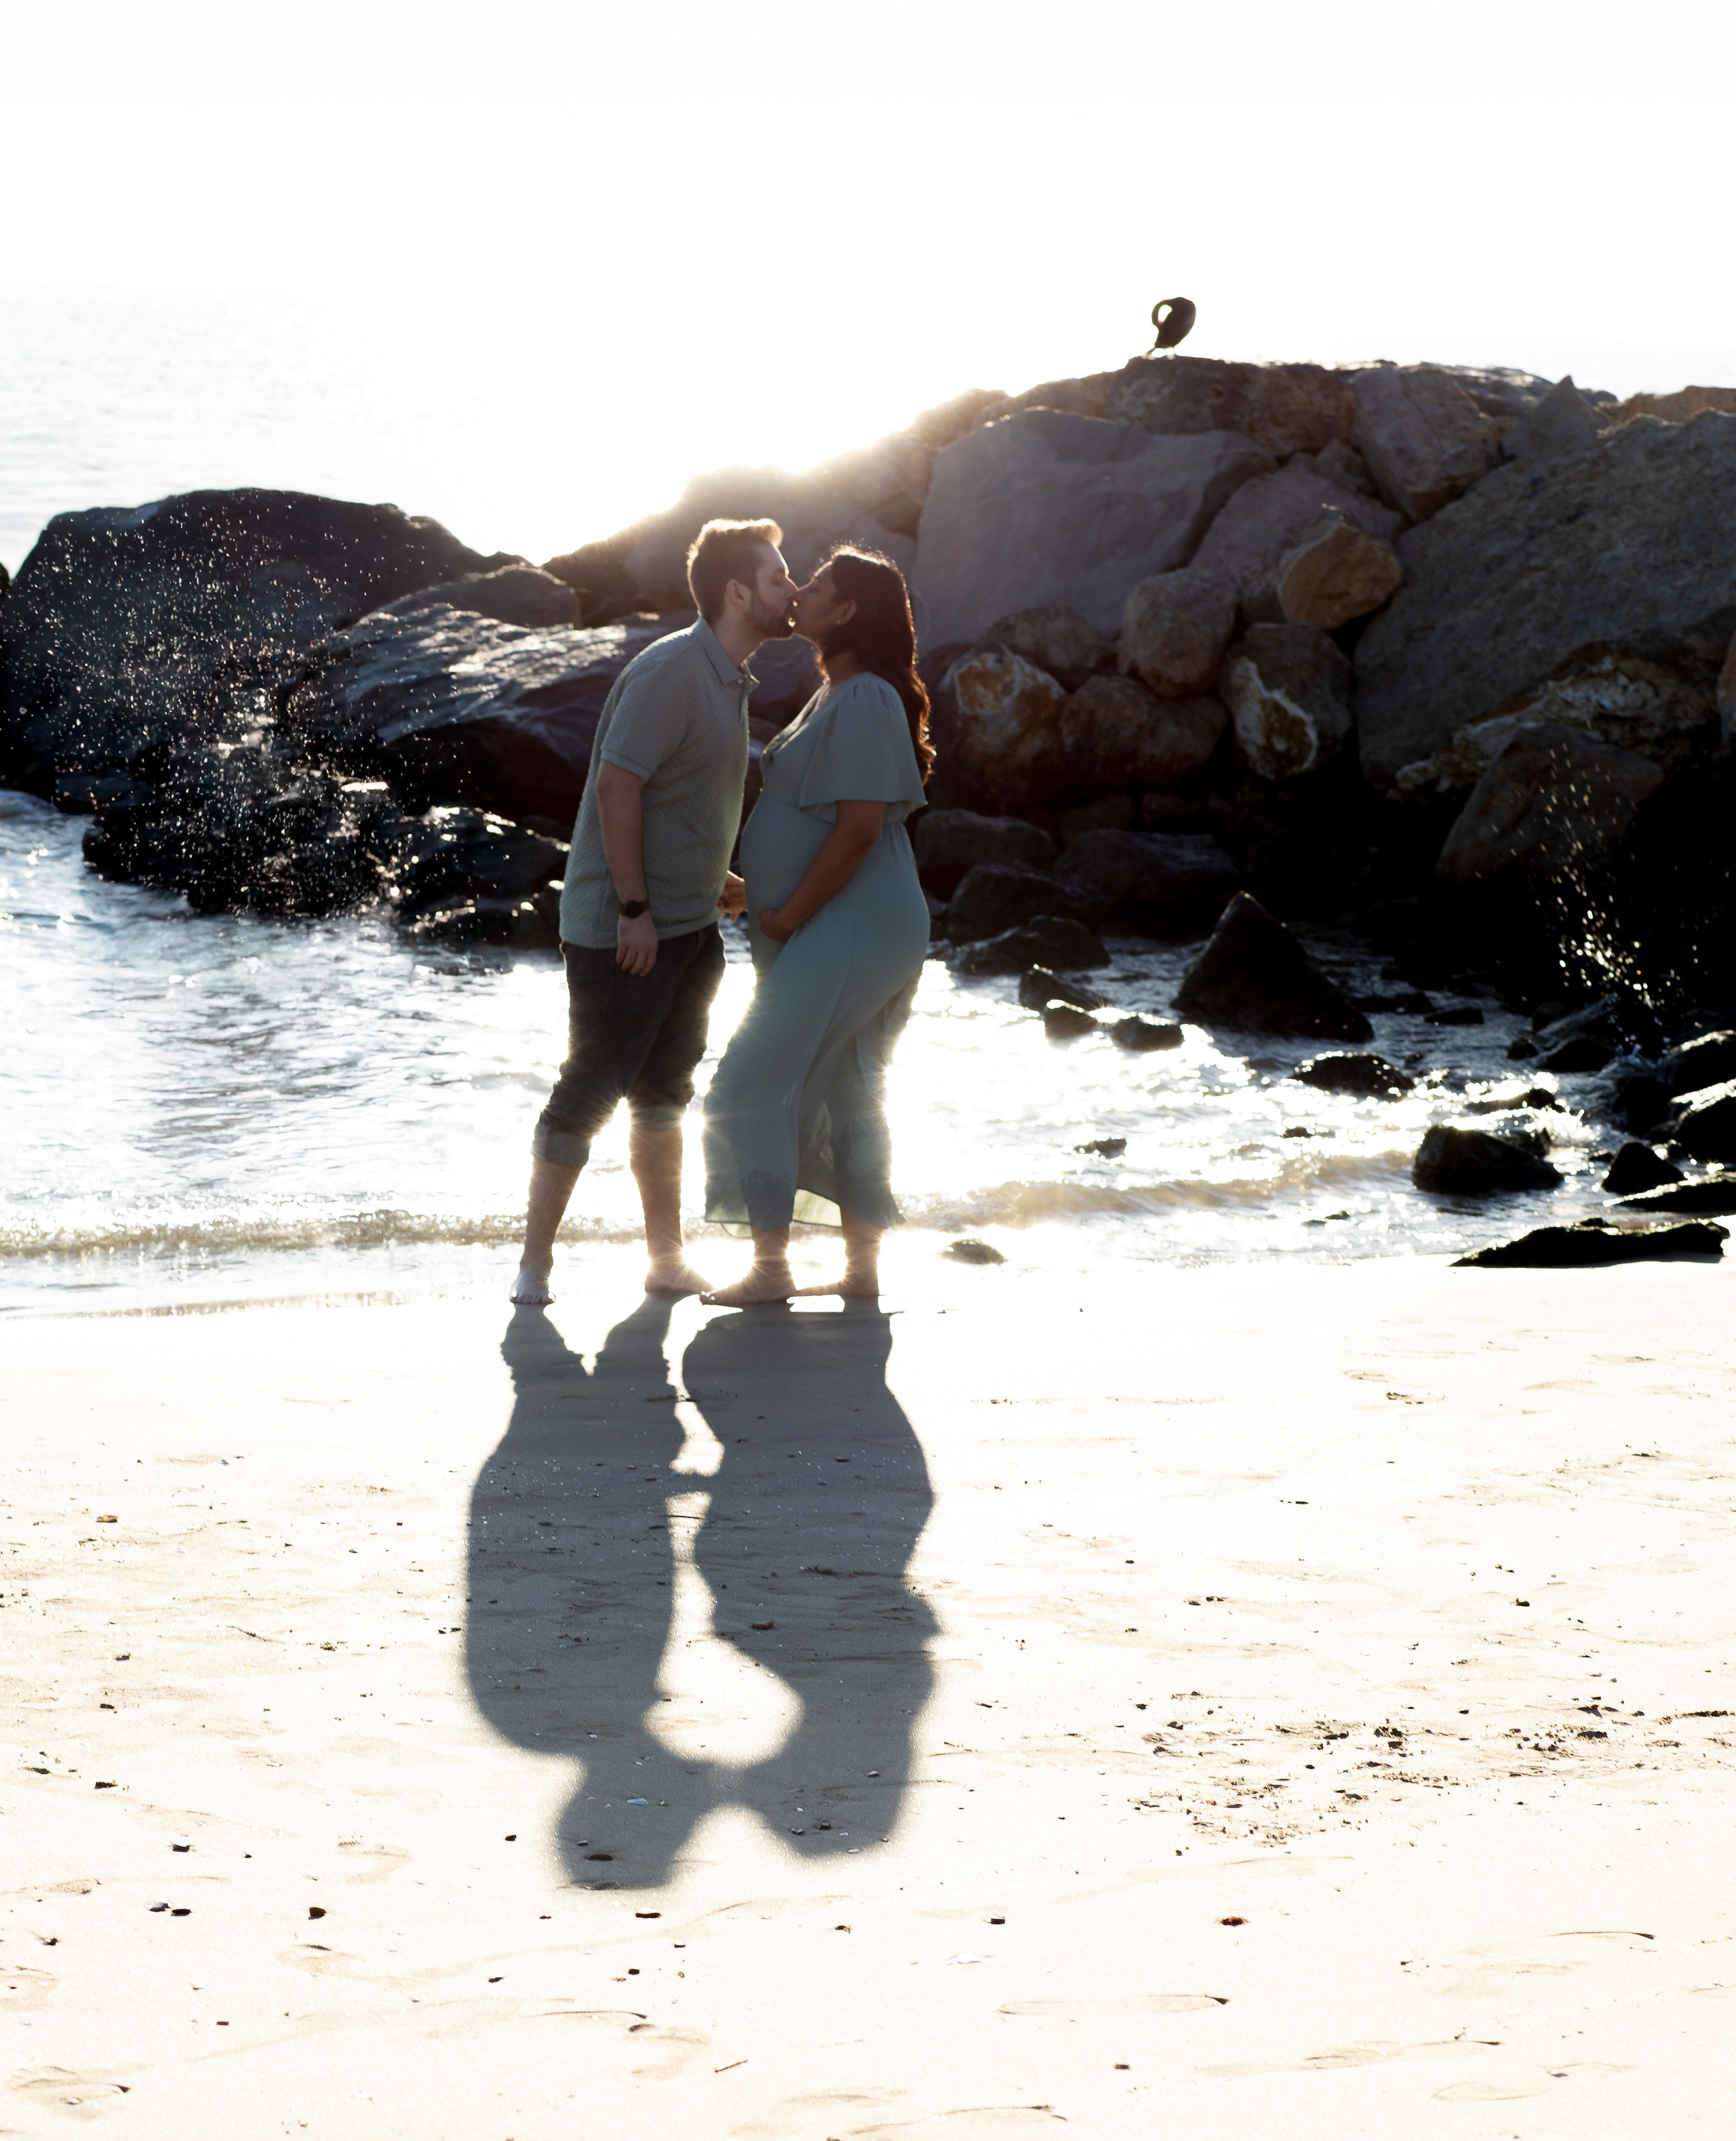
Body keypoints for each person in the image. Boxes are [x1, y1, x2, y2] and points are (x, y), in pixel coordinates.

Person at [510, 519, 798, 1305]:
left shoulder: (730, 679)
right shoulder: (673, 671)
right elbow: (616, 787)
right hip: (624, 930)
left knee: (664, 1095)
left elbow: (684, 799)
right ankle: (533, 1266)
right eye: (779, 577)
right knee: (589, 1088)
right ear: (737, 593)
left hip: (690, 927)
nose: (793, 590)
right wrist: (634, 908)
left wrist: (721, 878)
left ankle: (665, 1260)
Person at [700, 546, 934, 1305]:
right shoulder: (833, 692)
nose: (799, 591)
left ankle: (770, 1270)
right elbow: (814, 818)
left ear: (847, 612)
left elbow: (860, 828)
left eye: (818, 585)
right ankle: (862, 1270)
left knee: (748, 1079)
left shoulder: (864, 696)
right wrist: (755, 888)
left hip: (853, 921)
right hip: (852, 920)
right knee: (847, 1083)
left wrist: (790, 910)